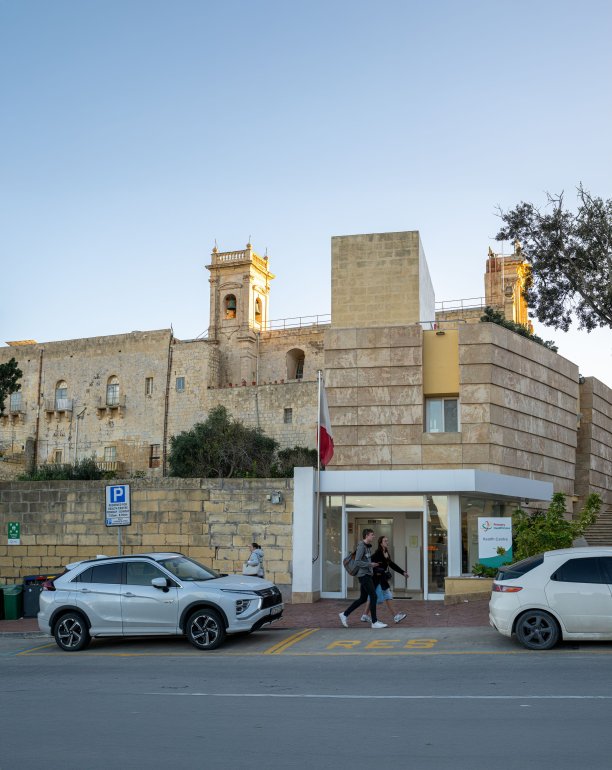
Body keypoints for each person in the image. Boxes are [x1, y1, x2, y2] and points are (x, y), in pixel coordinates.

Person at [339, 529, 388, 629]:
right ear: (366, 536)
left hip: (367, 574)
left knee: (363, 598)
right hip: (363, 575)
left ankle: (344, 614)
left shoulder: (367, 546)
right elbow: (357, 561)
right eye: (372, 535)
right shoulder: (361, 546)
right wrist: (370, 564)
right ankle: (374, 622)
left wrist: (373, 565)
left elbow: (365, 560)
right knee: (373, 596)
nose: (373, 536)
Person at [361, 535, 408, 624]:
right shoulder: (377, 554)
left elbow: (391, 564)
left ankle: (365, 615)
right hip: (376, 579)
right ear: (381, 543)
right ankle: (395, 616)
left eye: (387, 540)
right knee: (384, 596)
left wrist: (402, 572)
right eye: (385, 541)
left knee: (381, 596)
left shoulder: (385, 553)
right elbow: (370, 564)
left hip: (381, 579)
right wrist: (379, 570)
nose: (387, 542)